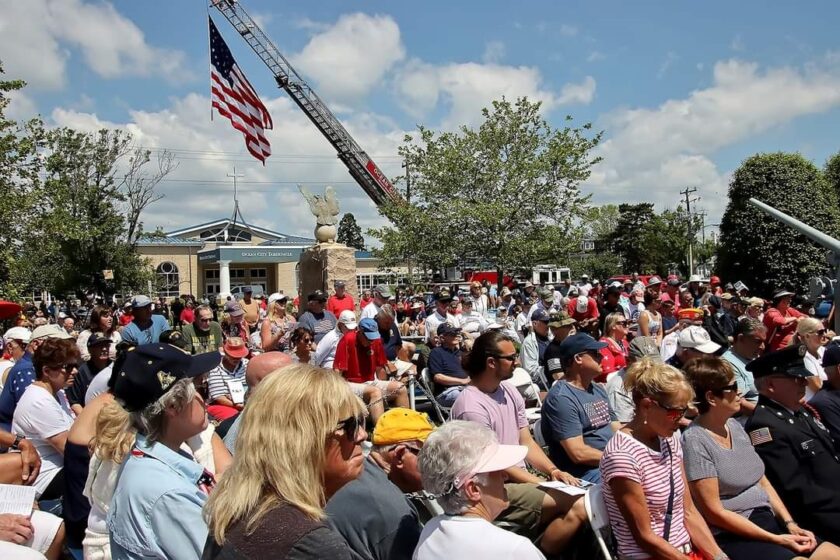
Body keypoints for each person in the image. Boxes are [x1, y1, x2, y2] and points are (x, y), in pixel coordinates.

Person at [682, 355, 840, 560]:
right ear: (712, 398)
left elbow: (762, 481)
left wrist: (790, 525)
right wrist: (776, 539)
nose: (739, 392)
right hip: (736, 534)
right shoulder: (695, 441)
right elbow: (715, 512)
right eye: (732, 387)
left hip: (768, 521)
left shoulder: (734, 427)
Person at [204, 365, 363, 559]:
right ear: (304, 442)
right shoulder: (312, 546)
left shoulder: (233, 509)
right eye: (351, 424)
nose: (362, 435)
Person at [450, 331, 586, 557]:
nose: (517, 362)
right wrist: (544, 484)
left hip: (516, 479)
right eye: (511, 358)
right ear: (491, 363)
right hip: (492, 488)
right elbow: (494, 463)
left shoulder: (509, 390)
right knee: (579, 503)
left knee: (583, 497)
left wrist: (553, 471)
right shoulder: (471, 406)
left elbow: (526, 441)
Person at [600, 359, 725, 560]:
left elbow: (688, 512)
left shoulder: (669, 440)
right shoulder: (622, 456)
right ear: (647, 405)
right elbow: (644, 536)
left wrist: (719, 557)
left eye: (685, 411)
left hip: (686, 551)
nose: (682, 419)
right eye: (676, 412)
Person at [107, 343, 222, 560]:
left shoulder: (157, 459)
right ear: (173, 406)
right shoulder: (168, 494)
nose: (202, 397)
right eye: (197, 388)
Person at [745, 345, 840, 543]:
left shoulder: (799, 411)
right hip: (821, 517)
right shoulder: (764, 426)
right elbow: (796, 489)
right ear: (771, 384)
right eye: (796, 378)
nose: (804, 383)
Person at [414, 420, 545, 559]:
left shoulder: (429, 533)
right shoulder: (514, 550)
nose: (505, 476)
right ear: (473, 489)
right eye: (496, 470)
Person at [326, 408, 430, 560]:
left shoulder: (352, 473)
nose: (437, 465)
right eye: (429, 456)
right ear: (400, 455)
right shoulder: (396, 516)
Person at [541, 333, 619, 483]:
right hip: (585, 473)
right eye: (595, 353)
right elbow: (578, 454)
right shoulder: (561, 399)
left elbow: (617, 430)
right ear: (578, 359)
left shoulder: (597, 389)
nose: (601, 357)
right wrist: (621, 458)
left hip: (610, 462)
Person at [11, 337, 79, 501]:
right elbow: (71, 450)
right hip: (45, 477)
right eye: (67, 367)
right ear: (47, 371)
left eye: (76, 365)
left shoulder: (59, 393)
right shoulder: (39, 401)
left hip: (60, 466)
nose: (75, 371)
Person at [334, 318, 408, 424]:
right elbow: (338, 369)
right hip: (350, 383)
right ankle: (381, 432)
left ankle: (406, 426)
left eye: (373, 338)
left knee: (400, 388)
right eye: (368, 338)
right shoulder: (347, 339)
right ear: (360, 332)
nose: (371, 341)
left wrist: (390, 370)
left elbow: (381, 365)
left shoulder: (376, 341)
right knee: (375, 392)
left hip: (371, 381)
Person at [0, 325, 71, 432]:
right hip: (18, 441)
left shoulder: (35, 366)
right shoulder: (26, 370)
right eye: (57, 345)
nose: (64, 350)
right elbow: (39, 414)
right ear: (36, 344)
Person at [606, 337, 663, 424]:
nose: (652, 369)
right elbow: (623, 428)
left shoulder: (652, 379)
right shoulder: (619, 388)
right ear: (628, 361)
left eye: (654, 365)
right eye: (645, 366)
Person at [721, 319, 766, 421]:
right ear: (741, 338)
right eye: (757, 342)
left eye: (763, 342)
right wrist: (771, 416)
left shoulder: (753, 357)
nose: (762, 347)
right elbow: (738, 404)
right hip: (749, 421)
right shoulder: (728, 365)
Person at [65, 334, 111, 415]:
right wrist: (87, 422)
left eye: (106, 345)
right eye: (99, 346)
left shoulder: (116, 367)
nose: (104, 349)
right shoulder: (81, 372)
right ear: (90, 350)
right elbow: (74, 402)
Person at [206, 338, 249, 421]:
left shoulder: (247, 364)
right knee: (235, 418)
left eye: (239, 356)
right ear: (225, 352)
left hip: (245, 400)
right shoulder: (215, 367)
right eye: (233, 356)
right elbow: (218, 396)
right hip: (223, 404)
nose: (236, 358)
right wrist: (236, 405)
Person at [427, 323, 468, 407]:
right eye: (452, 334)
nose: (456, 335)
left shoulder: (461, 354)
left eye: (457, 333)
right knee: (468, 396)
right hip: (446, 392)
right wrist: (463, 381)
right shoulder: (436, 353)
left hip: (466, 388)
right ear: (442, 338)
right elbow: (438, 377)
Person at [791, 317, 829, 401]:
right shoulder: (803, 358)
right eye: (820, 332)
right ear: (807, 336)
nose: (825, 335)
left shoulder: (824, 351)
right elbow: (818, 387)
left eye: (825, 331)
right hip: (817, 404)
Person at [519, 308, 552, 389]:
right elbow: (531, 370)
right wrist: (552, 368)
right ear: (535, 323)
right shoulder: (529, 342)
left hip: (553, 377)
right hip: (541, 383)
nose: (548, 325)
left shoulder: (550, 338)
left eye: (549, 322)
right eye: (545, 322)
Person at [542, 310, 577, 383]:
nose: (572, 328)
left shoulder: (573, 345)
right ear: (555, 330)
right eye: (567, 326)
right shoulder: (552, 351)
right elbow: (559, 377)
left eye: (572, 325)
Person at [599, 312, 629, 381]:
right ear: (613, 326)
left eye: (627, 322)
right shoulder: (604, 345)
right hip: (614, 384)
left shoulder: (625, 343)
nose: (627, 325)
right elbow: (607, 373)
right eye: (624, 323)